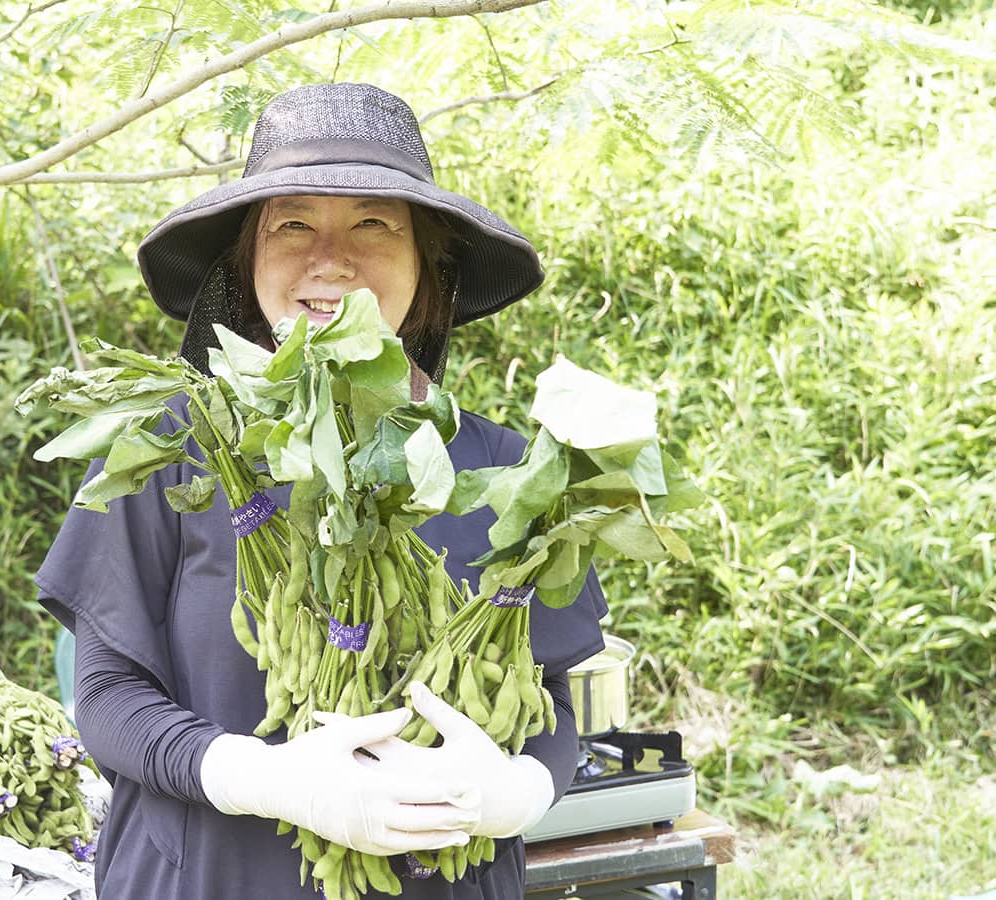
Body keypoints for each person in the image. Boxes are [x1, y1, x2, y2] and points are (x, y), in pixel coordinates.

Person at [35, 83, 608, 899]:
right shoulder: (172, 447)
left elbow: (548, 703)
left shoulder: (510, 473)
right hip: (206, 880)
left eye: (374, 223)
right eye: (292, 223)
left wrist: (514, 793)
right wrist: (259, 779)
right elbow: (107, 695)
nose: (330, 258)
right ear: (247, 259)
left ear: (428, 267)